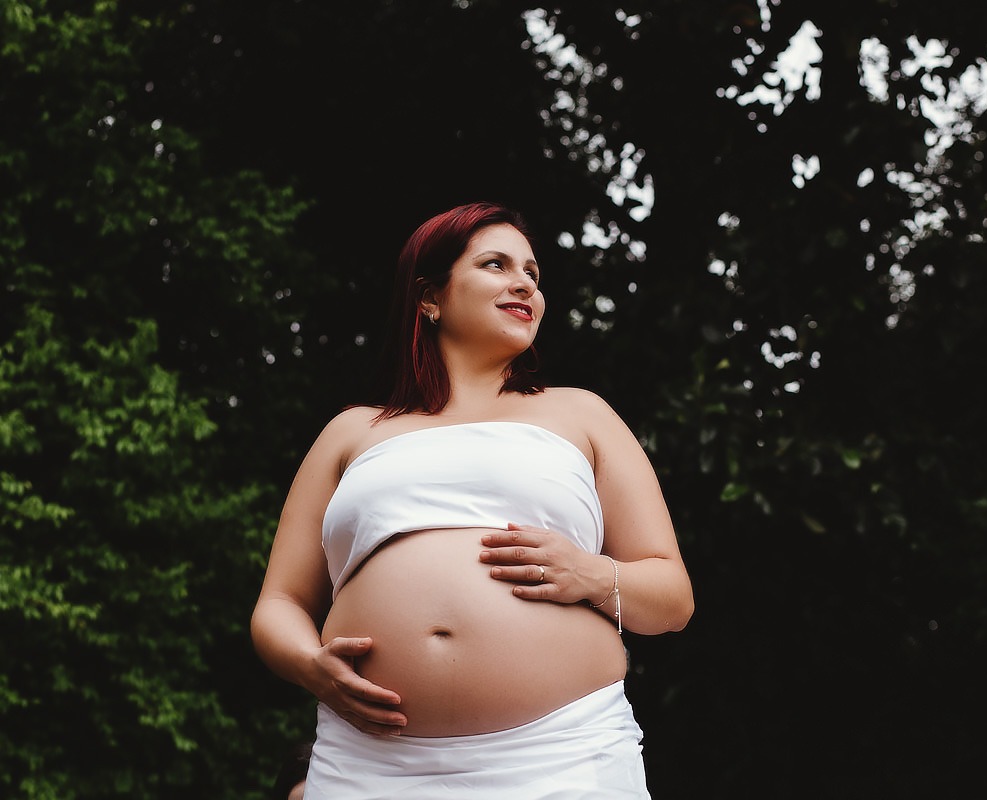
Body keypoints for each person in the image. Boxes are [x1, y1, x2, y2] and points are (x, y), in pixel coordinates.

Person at [250, 201, 694, 798]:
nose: (524, 284)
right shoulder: (353, 431)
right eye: (496, 264)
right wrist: (310, 665)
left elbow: (671, 598)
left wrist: (589, 573)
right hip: (371, 764)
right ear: (429, 296)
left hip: (561, 755)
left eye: (533, 274)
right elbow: (279, 602)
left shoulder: (582, 414)